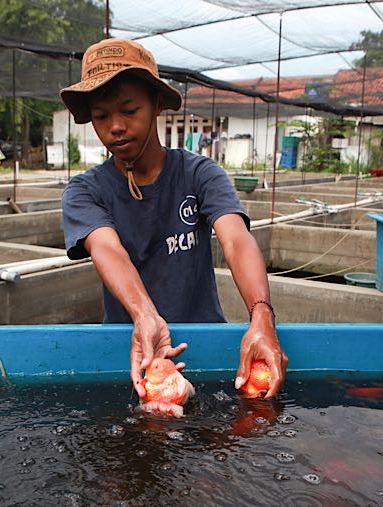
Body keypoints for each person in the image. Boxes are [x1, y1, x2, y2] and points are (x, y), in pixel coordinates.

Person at [60, 38, 287, 399]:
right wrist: (145, 316)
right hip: (134, 350)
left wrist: (261, 315)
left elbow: (235, 237)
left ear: (156, 106)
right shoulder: (86, 191)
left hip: (204, 345)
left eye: (129, 110)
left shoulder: (199, 174)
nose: (115, 126)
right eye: (102, 116)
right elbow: (108, 248)